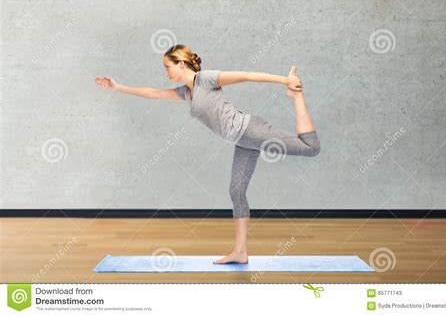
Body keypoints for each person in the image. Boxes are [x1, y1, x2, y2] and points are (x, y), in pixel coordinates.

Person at [95, 44, 320, 264]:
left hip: (250, 130)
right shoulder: (186, 92)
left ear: (181, 64)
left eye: (167, 67)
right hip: (241, 141)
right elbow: (155, 94)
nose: (166, 73)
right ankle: (240, 252)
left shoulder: (206, 80)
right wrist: (118, 87)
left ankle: (296, 97)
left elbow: (248, 75)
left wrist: (286, 81)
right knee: (236, 191)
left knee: (311, 148)